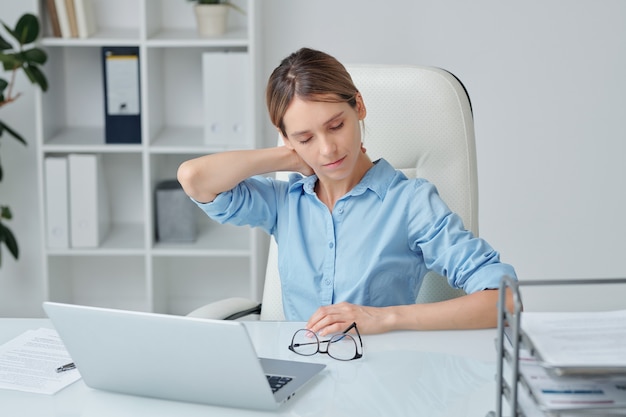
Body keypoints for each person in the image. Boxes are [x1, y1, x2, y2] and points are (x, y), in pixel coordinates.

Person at [177, 47, 518, 336]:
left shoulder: (409, 202)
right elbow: (194, 177)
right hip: (299, 372)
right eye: (306, 137)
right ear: (287, 138)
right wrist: (287, 156)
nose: (327, 149)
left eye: (336, 125)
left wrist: (384, 318)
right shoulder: (285, 202)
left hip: (379, 380)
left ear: (359, 106)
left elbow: (504, 300)